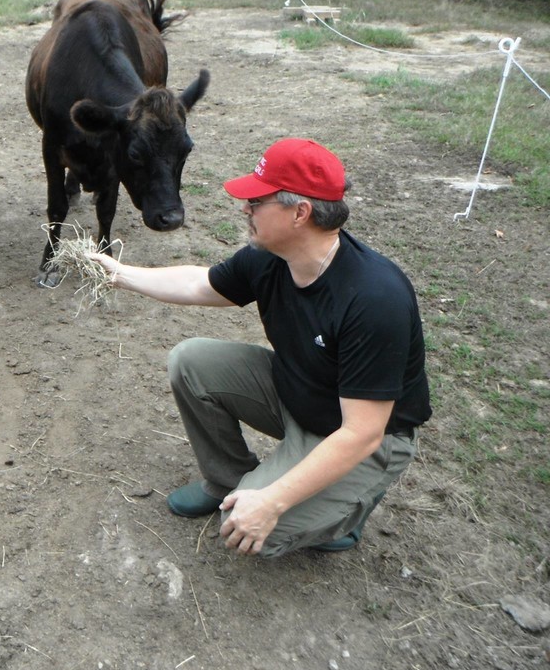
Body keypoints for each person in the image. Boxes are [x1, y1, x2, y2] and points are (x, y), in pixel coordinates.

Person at [90, 138, 431, 558]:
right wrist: (121, 274)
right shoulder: (272, 255)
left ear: (300, 213)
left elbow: (361, 433)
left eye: (257, 199)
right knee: (192, 361)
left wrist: (272, 501)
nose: (245, 208)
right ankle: (227, 480)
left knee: (252, 529)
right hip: (299, 395)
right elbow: (200, 283)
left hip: (363, 438)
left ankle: (344, 513)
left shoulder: (374, 299)